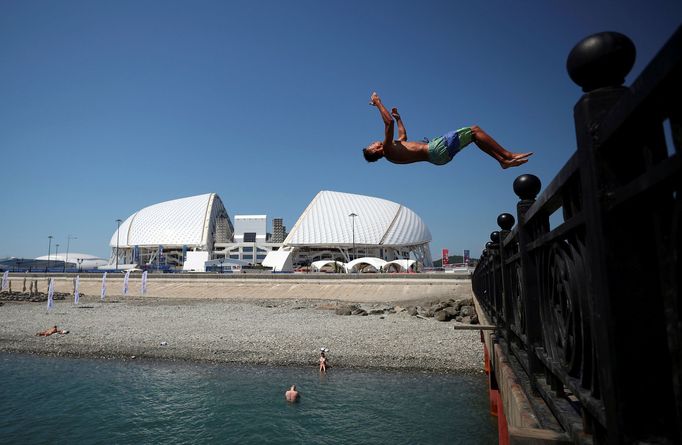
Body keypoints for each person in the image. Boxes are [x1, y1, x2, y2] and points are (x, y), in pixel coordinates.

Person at [363, 92, 532, 169]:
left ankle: (502, 161)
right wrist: (378, 102)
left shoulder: (393, 152)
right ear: (377, 150)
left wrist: (399, 118)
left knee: (474, 137)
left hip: (438, 158)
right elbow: (388, 123)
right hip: (435, 149)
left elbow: (403, 135)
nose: (373, 142)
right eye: (372, 145)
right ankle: (507, 155)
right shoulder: (387, 148)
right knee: (474, 130)